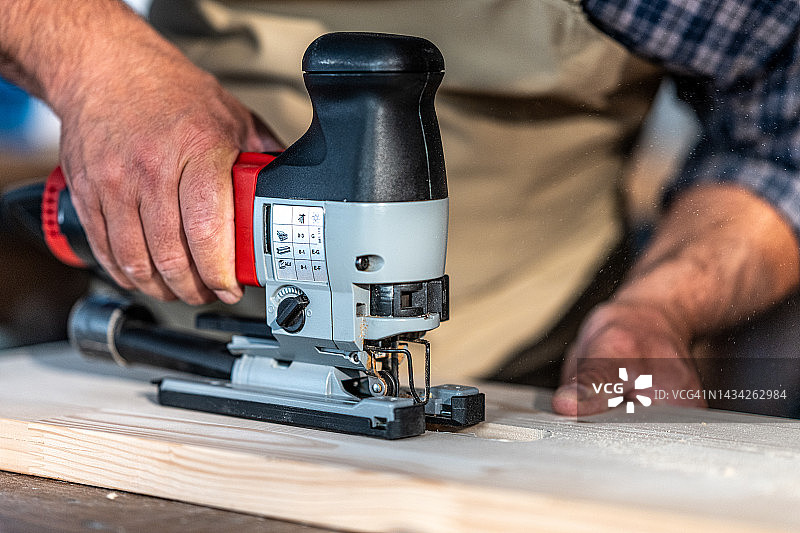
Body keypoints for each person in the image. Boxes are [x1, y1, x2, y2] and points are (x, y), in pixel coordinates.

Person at [1, 0, 798, 417]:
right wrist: (100, 68)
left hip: (536, 357)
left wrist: (660, 307)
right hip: (148, 327)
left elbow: (782, 142)